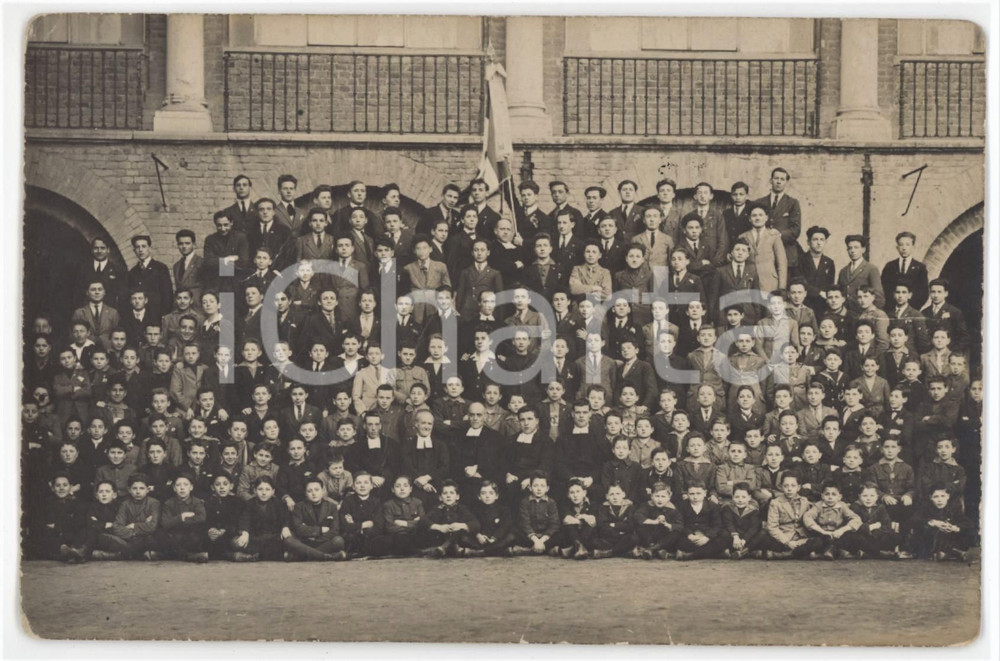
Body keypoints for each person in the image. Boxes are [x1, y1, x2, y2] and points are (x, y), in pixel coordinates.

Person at [283, 475, 347, 561]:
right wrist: (320, 530)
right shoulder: (299, 507)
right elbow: (298, 529)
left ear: (323, 491)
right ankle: (327, 557)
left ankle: (300, 557)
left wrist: (315, 538)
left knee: (338, 541)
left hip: (323, 542)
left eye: (317, 490)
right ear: (305, 493)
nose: (314, 493)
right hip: (304, 542)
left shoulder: (332, 507)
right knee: (289, 540)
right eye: (309, 491)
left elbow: (334, 530)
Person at [100, 473, 162, 560]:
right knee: (107, 538)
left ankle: (120, 554)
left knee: (151, 539)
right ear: (129, 490)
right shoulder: (125, 504)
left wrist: (133, 526)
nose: (138, 491)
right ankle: (136, 553)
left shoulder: (153, 503)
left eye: (142, 488)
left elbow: (152, 526)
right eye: (134, 488)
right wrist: (135, 532)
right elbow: (117, 526)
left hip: (145, 539)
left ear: (148, 490)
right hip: (130, 539)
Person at [904, 484, 972, 561]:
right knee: (929, 531)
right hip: (928, 539)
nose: (940, 500)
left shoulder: (953, 508)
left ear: (948, 496)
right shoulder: (925, 507)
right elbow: (913, 520)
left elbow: (968, 523)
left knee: (963, 534)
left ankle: (948, 552)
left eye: (943, 496)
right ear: (930, 498)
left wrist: (955, 527)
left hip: (946, 539)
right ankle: (952, 552)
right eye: (936, 497)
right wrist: (933, 522)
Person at [230, 475, 291, 562]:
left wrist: (285, 527)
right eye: (260, 489)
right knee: (236, 543)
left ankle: (256, 556)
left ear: (273, 491)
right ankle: (275, 556)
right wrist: (245, 533)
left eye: (267, 489)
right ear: (255, 490)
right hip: (255, 538)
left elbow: (285, 518)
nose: (264, 493)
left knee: (286, 541)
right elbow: (245, 519)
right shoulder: (249, 503)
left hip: (272, 538)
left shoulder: (278, 504)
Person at [763, 473, 824, 560]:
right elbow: (772, 527)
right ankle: (801, 553)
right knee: (765, 538)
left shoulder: (804, 501)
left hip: (801, 538)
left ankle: (786, 554)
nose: (789, 489)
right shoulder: (775, 503)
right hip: (783, 538)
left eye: (793, 486)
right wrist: (788, 542)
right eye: (786, 486)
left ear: (798, 487)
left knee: (819, 541)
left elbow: (808, 520)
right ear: (781, 487)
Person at [754, 167, 802, 274]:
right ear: (771, 180)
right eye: (776, 178)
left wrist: (779, 235)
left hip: (785, 253)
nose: (779, 181)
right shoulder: (759, 202)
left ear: (786, 182)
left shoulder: (793, 203)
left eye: (782, 179)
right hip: (764, 254)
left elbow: (796, 230)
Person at [801, 481, 863, 559]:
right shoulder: (818, 506)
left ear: (839, 497)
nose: (830, 497)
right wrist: (822, 531)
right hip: (822, 534)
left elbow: (856, 519)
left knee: (850, 538)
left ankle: (831, 552)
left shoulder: (842, 506)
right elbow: (807, 517)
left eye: (834, 494)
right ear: (822, 496)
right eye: (827, 494)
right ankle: (835, 552)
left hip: (837, 535)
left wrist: (842, 530)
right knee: (817, 541)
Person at [419, 479, 480, 557]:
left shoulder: (462, 509)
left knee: (460, 533)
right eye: (445, 493)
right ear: (440, 497)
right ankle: (452, 549)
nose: (448, 496)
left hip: (459, 540)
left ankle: (445, 548)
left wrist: (461, 525)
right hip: (441, 539)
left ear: (457, 496)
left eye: (452, 493)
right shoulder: (437, 509)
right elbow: (423, 521)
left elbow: (476, 523)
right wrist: (439, 527)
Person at [739, 204, 787, 292]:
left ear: (766, 218)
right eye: (754, 215)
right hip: (749, 282)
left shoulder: (773, 235)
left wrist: (782, 287)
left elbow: (782, 262)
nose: (757, 218)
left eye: (761, 215)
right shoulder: (743, 237)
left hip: (770, 282)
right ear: (749, 219)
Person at [674, 482, 727, 559]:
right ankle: (717, 554)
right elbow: (680, 524)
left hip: (707, 537)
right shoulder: (681, 505)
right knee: (677, 538)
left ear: (705, 493)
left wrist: (707, 537)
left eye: (698, 493)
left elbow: (717, 525)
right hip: (690, 537)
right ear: (687, 494)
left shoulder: (712, 506)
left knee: (724, 536)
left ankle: (690, 555)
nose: (695, 497)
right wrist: (690, 535)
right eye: (692, 494)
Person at [127, 235, 174, 322]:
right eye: (137, 247)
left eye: (143, 246)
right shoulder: (132, 272)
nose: (140, 250)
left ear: (150, 248)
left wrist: (164, 315)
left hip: (156, 315)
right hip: (139, 317)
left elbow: (167, 295)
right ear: (134, 251)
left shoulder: (160, 268)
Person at [633, 481, 684, 559]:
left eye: (663, 496)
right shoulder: (647, 505)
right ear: (651, 496)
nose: (660, 499)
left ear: (669, 497)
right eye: (657, 496)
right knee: (640, 526)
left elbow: (680, 525)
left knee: (676, 533)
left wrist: (667, 524)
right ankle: (655, 549)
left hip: (663, 538)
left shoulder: (673, 509)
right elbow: (638, 516)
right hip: (649, 537)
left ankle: (652, 550)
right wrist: (654, 521)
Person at [881, 231, 929, 311]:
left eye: (907, 244)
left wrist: (911, 309)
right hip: (891, 310)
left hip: (912, 309)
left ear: (913, 247)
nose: (904, 248)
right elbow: (883, 289)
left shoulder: (920, 267)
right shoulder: (889, 266)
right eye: (901, 244)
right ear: (897, 247)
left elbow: (924, 293)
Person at [338, 471, 383, 557]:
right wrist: (364, 524)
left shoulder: (376, 502)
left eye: (366, 483)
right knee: (348, 537)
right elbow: (345, 525)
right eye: (358, 483)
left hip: (371, 536)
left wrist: (355, 525)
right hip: (352, 537)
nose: (362, 486)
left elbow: (379, 526)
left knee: (380, 540)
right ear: (354, 487)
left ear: (371, 486)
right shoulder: (348, 501)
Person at [721, 482, 767, 559]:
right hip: (733, 538)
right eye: (737, 497)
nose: (740, 500)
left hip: (747, 539)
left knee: (763, 533)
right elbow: (728, 523)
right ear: (732, 497)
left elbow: (754, 528)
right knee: (723, 533)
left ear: (749, 498)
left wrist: (744, 540)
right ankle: (749, 552)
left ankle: (743, 552)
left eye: (743, 497)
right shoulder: (727, 508)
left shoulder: (754, 510)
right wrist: (735, 537)